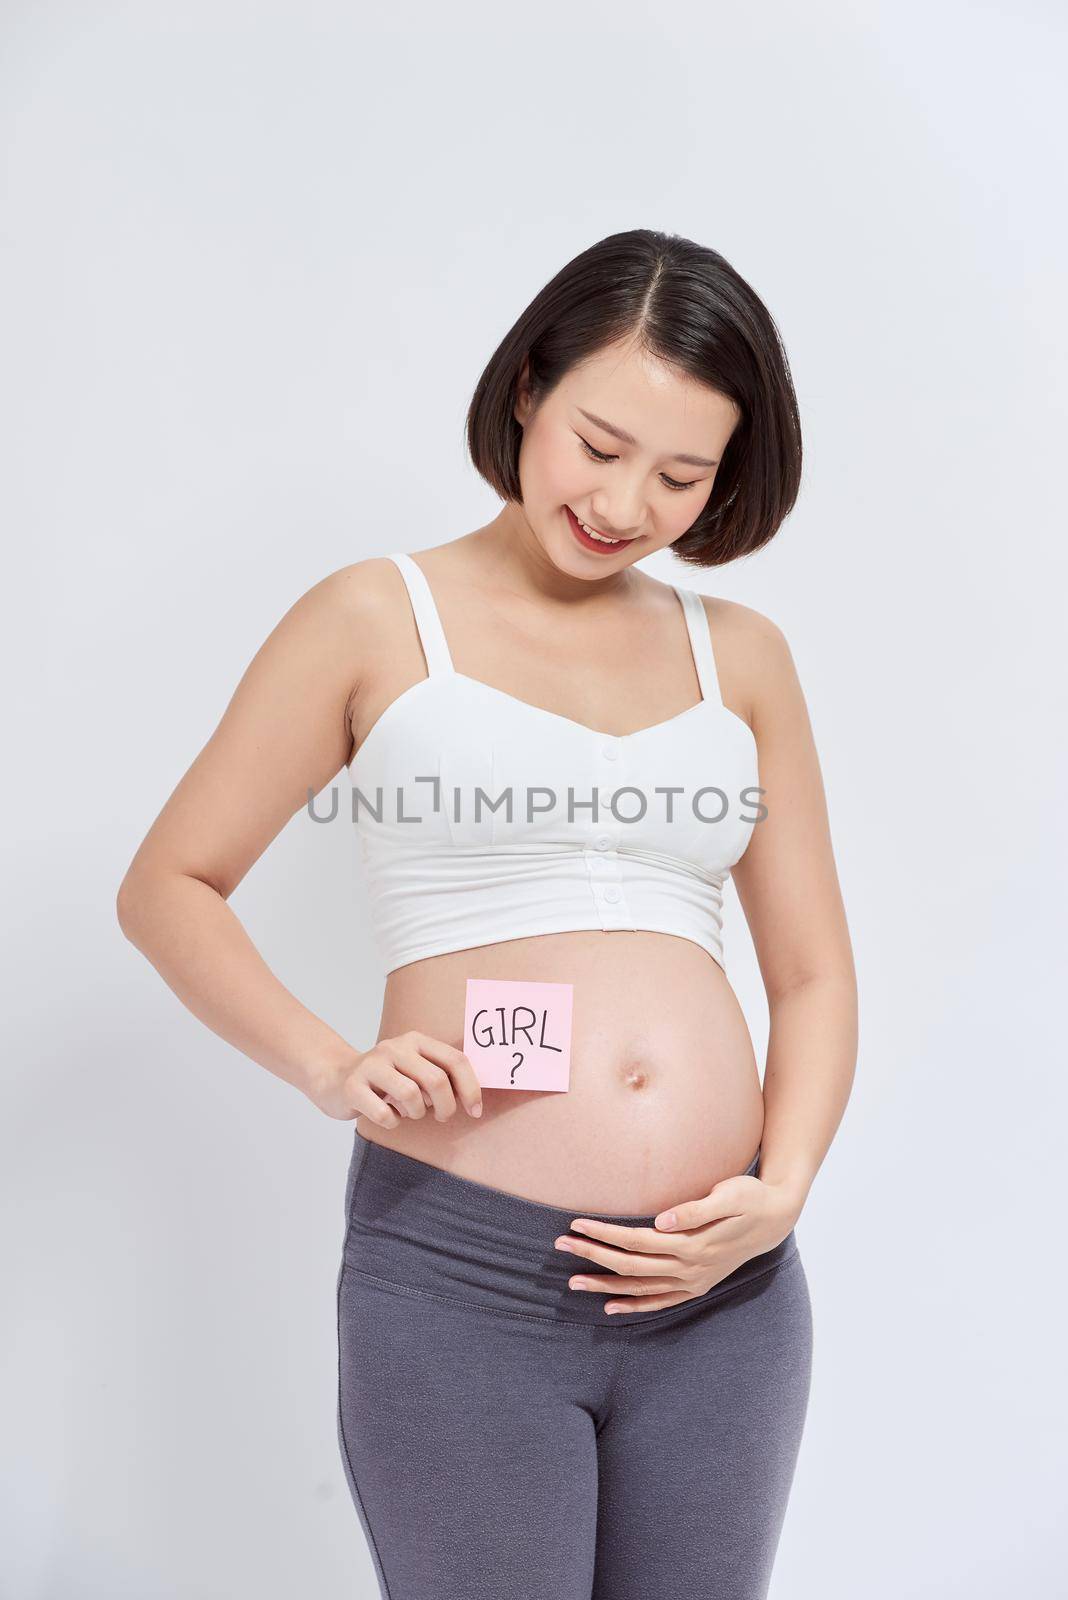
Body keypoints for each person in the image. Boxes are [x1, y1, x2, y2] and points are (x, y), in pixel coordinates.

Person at [117, 227, 858, 1600]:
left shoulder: (740, 656)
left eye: (681, 475)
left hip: (726, 1293)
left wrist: (784, 1192)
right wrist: (328, 1062)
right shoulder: (371, 618)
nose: (627, 500)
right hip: (462, 1282)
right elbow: (170, 884)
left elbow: (810, 976)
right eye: (599, 441)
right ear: (527, 387)